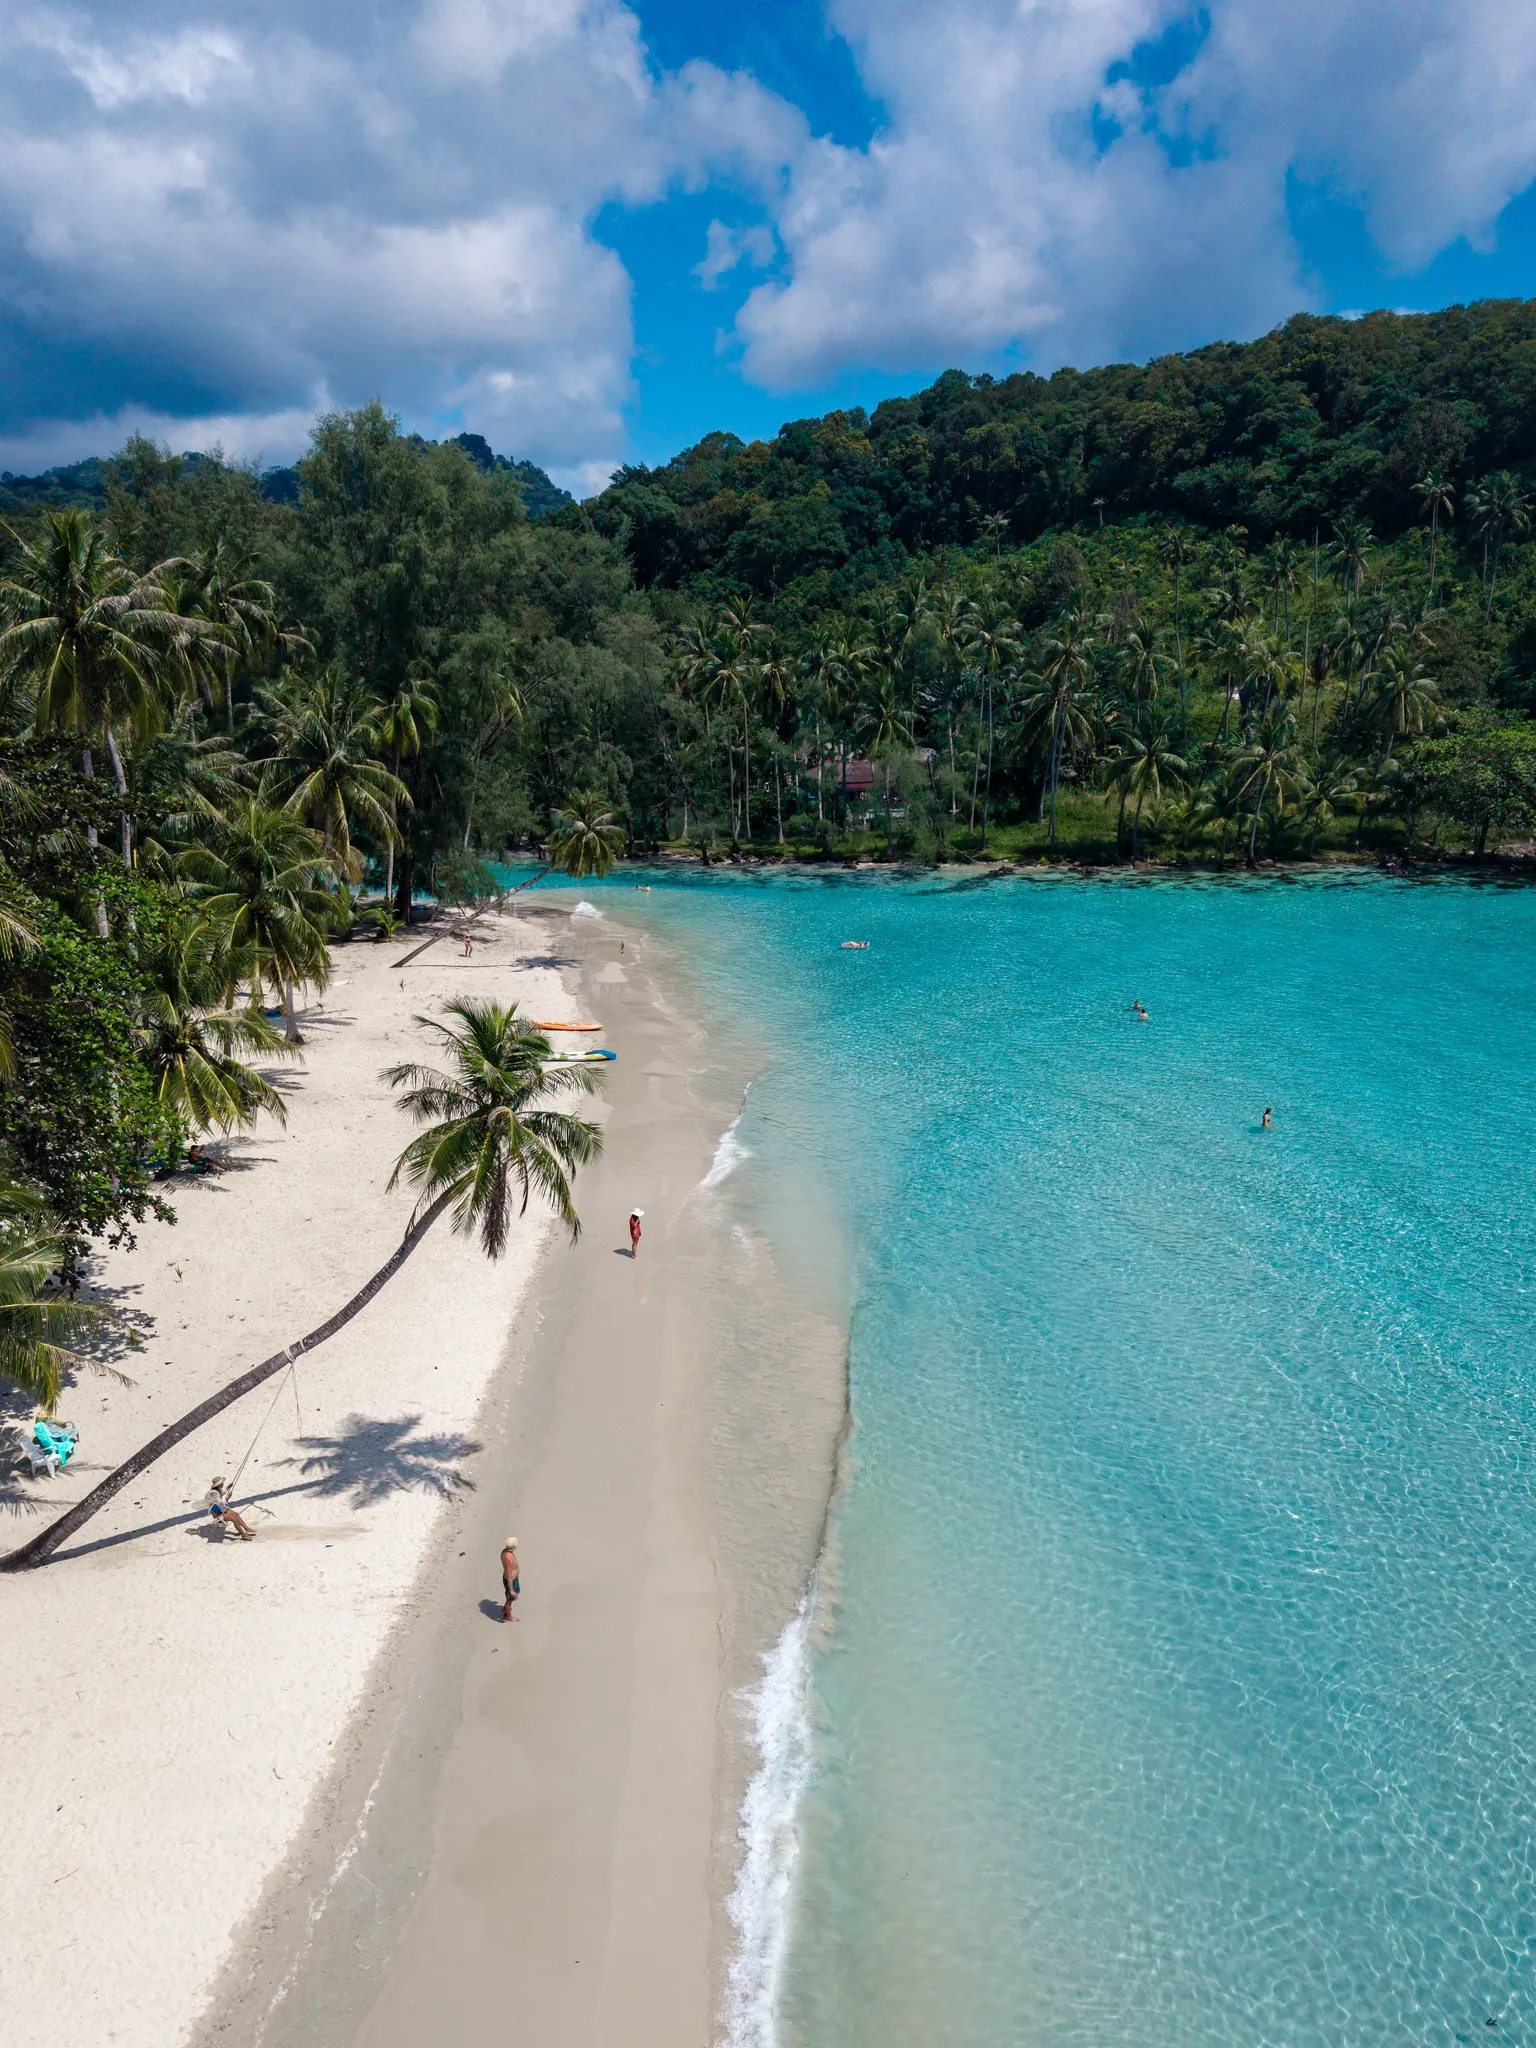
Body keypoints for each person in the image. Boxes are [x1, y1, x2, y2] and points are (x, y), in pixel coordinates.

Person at [205, 1476, 254, 1540]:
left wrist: (228, 1488)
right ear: (218, 1485)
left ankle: (247, 1529)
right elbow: (220, 1503)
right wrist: (227, 1499)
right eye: (221, 1483)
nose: (223, 1484)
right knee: (234, 1519)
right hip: (216, 1512)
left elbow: (221, 1494)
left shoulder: (217, 1490)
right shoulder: (214, 1493)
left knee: (236, 1514)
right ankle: (243, 1535)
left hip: (220, 1509)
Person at [501, 1537, 520, 1622]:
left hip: (512, 1578)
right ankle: (508, 1616)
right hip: (511, 1580)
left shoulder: (505, 1551)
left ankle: (505, 1608)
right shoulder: (508, 1558)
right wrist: (511, 1590)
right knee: (510, 1598)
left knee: (511, 1596)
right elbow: (509, 1575)